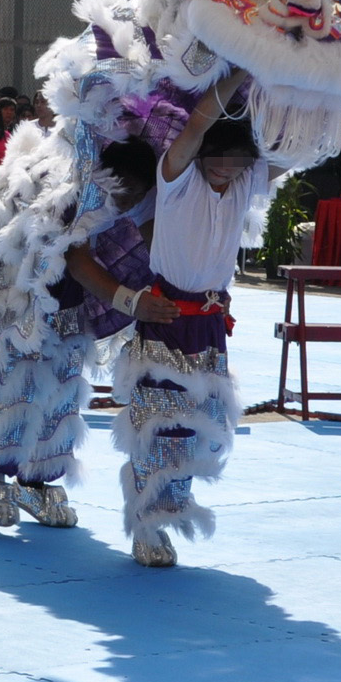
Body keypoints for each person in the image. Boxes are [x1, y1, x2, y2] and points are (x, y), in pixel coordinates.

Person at [0, 138, 168, 530]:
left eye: (136, 195)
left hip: (71, 311)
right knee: (11, 390)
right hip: (21, 301)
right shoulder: (67, 194)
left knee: (62, 398)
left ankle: (38, 482)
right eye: (123, 192)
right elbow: (77, 260)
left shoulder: (142, 204)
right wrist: (129, 301)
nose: (127, 201)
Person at [115, 68, 266, 568]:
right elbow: (199, 124)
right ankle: (145, 523)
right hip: (165, 318)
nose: (226, 169)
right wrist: (239, 71)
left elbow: (296, 146)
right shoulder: (178, 178)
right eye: (218, 159)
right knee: (158, 426)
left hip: (210, 324)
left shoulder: (246, 181)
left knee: (198, 429)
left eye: (236, 161)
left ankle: (170, 512)